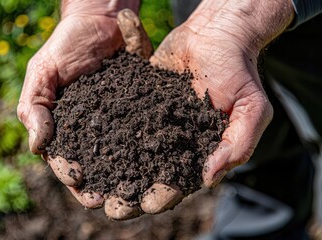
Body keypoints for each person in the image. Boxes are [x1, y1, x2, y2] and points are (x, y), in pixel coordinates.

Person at [17, 0, 322, 238]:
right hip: (206, 14)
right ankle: (260, 228)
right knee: (254, 153)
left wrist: (235, 21)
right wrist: (97, 9)